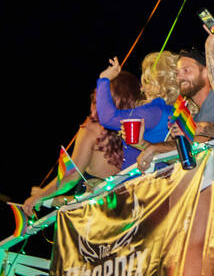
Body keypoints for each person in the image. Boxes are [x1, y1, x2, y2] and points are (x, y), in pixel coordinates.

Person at [24, 74, 139, 213]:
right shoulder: (134, 129)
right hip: (123, 210)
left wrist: (38, 197)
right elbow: (103, 193)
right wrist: (47, 198)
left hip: (90, 217)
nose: (93, 102)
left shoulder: (91, 128)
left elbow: (72, 176)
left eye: (95, 98)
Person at [135, 48, 214, 169]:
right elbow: (181, 157)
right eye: (177, 73)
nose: (180, 77)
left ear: (205, 72)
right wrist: (142, 144)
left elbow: (198, 144)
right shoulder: (195, 114)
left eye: (186, 70)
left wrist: (154, 148)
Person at [95, 53, 179, 169]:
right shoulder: (173, 110)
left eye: (146, 81)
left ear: (157, 84)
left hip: (141, 180)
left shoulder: (153, 111)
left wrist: (104, 79)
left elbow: (108, 118)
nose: (142, 88)